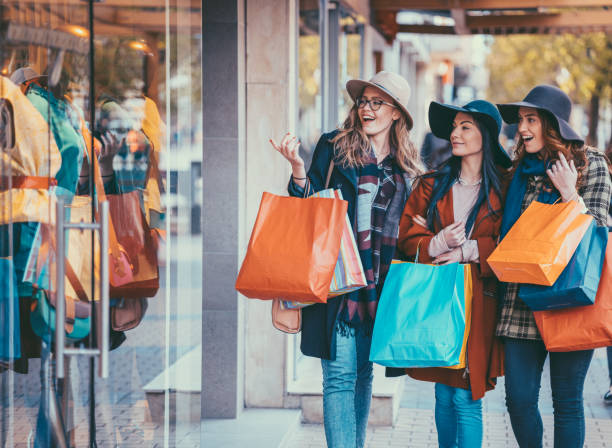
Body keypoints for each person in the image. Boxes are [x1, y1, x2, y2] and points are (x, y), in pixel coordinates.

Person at [270, 71, 422, 448]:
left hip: (382, 289)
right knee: (338, 378)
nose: (366, 109)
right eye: (363, 102)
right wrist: (298, 171)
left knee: (363, 376)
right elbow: (307, 207)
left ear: (397, 113)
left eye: (377, 103)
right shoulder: (335, 147)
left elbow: (409, 231)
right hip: (338, 282)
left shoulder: (407, 167)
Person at [496, 85, 612, 447]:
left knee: (566, 402)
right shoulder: (518, 171)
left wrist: (569, 194)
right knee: (517, 400)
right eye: (520, 121)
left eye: (531, 119)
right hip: (521, 298)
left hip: (570, 297)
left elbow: (598, 230)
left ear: (552, 124)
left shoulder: (590, 165)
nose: (522, 128)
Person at [396, 100, 511, 447]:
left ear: (486, 135)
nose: (455, 133)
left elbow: (512, 241)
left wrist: (468, 250)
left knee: (466, 396)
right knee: (444, 397)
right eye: (454, 126)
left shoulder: (505, 187)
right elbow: (406, 237)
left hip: (479, 304)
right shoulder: (432, 183)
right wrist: (436, 241)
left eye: (466, 127)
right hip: (438, 300)